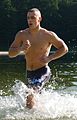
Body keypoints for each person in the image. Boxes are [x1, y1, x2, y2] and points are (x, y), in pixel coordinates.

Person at [8, 8, 68, 109]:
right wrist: (21, 49)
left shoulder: (48, 35)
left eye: (33, 17)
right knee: (31, 99)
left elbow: (64, 49)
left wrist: (50, 58)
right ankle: (40, 112)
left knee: (30, 94)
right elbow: (11, 53)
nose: (30, 20)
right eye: (28, 18)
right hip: (29, 73)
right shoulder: (22, 34)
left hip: (43, 71)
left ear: (39, 19)